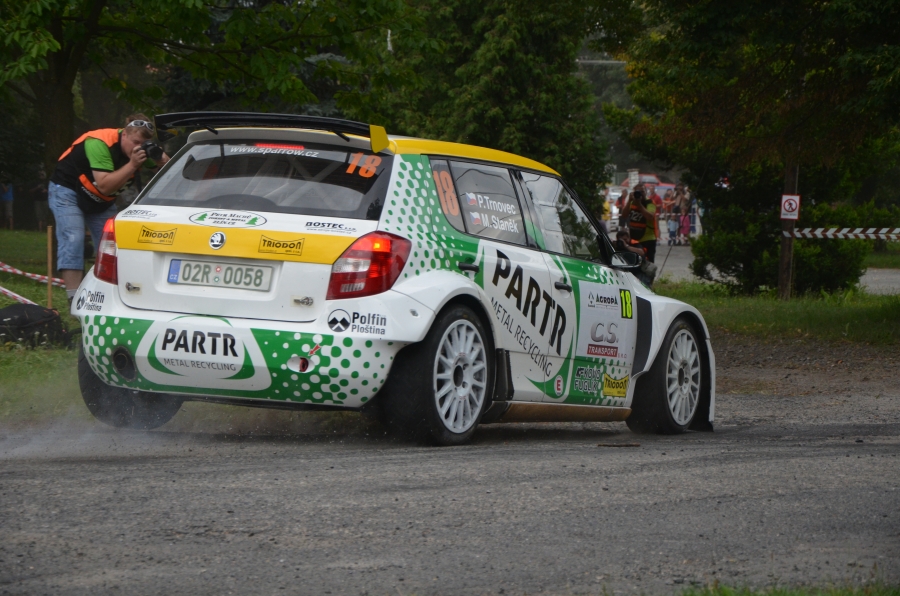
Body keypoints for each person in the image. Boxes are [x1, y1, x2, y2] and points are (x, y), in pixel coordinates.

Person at [49, 115, 169, 301]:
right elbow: (105, 185)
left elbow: (171, 173)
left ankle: (110, 296)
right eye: (135, 142)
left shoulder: (140, 151)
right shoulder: (99, 142)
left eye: (144, 143)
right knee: (74, 238)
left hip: (100, 200)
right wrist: (133, 165)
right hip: (68, 190)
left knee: (112, 245)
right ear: (124, 134)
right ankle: (73, 299)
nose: (138, 148)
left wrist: (162, 158)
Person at [621, 188, 657, 262]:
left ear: (645, 192)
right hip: (634, 238)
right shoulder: (632, 202)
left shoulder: (649, 202)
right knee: (634, 262)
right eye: (637, 192)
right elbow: (624, 215)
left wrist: (639, 205)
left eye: (642, 192)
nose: (640, 194)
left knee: (648, 263)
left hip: (648, 239)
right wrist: (629, 201)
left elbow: (650, 216)